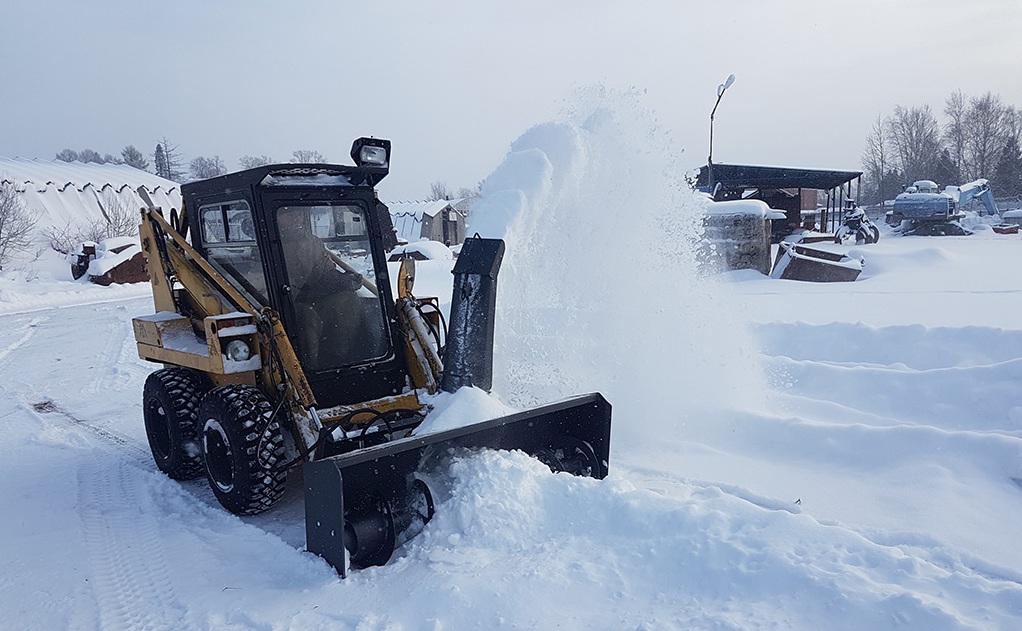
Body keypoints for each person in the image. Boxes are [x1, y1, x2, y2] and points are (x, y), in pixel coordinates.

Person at [278, 208, 366, 369]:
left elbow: (325, 271)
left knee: (348, 299)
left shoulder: (313, 242)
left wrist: (344, 280)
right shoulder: (265, 245)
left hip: (312, 298)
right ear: (275, 217)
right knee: (307, 313)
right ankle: (311, 368)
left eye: (298, 212)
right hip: (282, 305)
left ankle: (342, 359)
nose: (296, 216)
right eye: (288, 212)